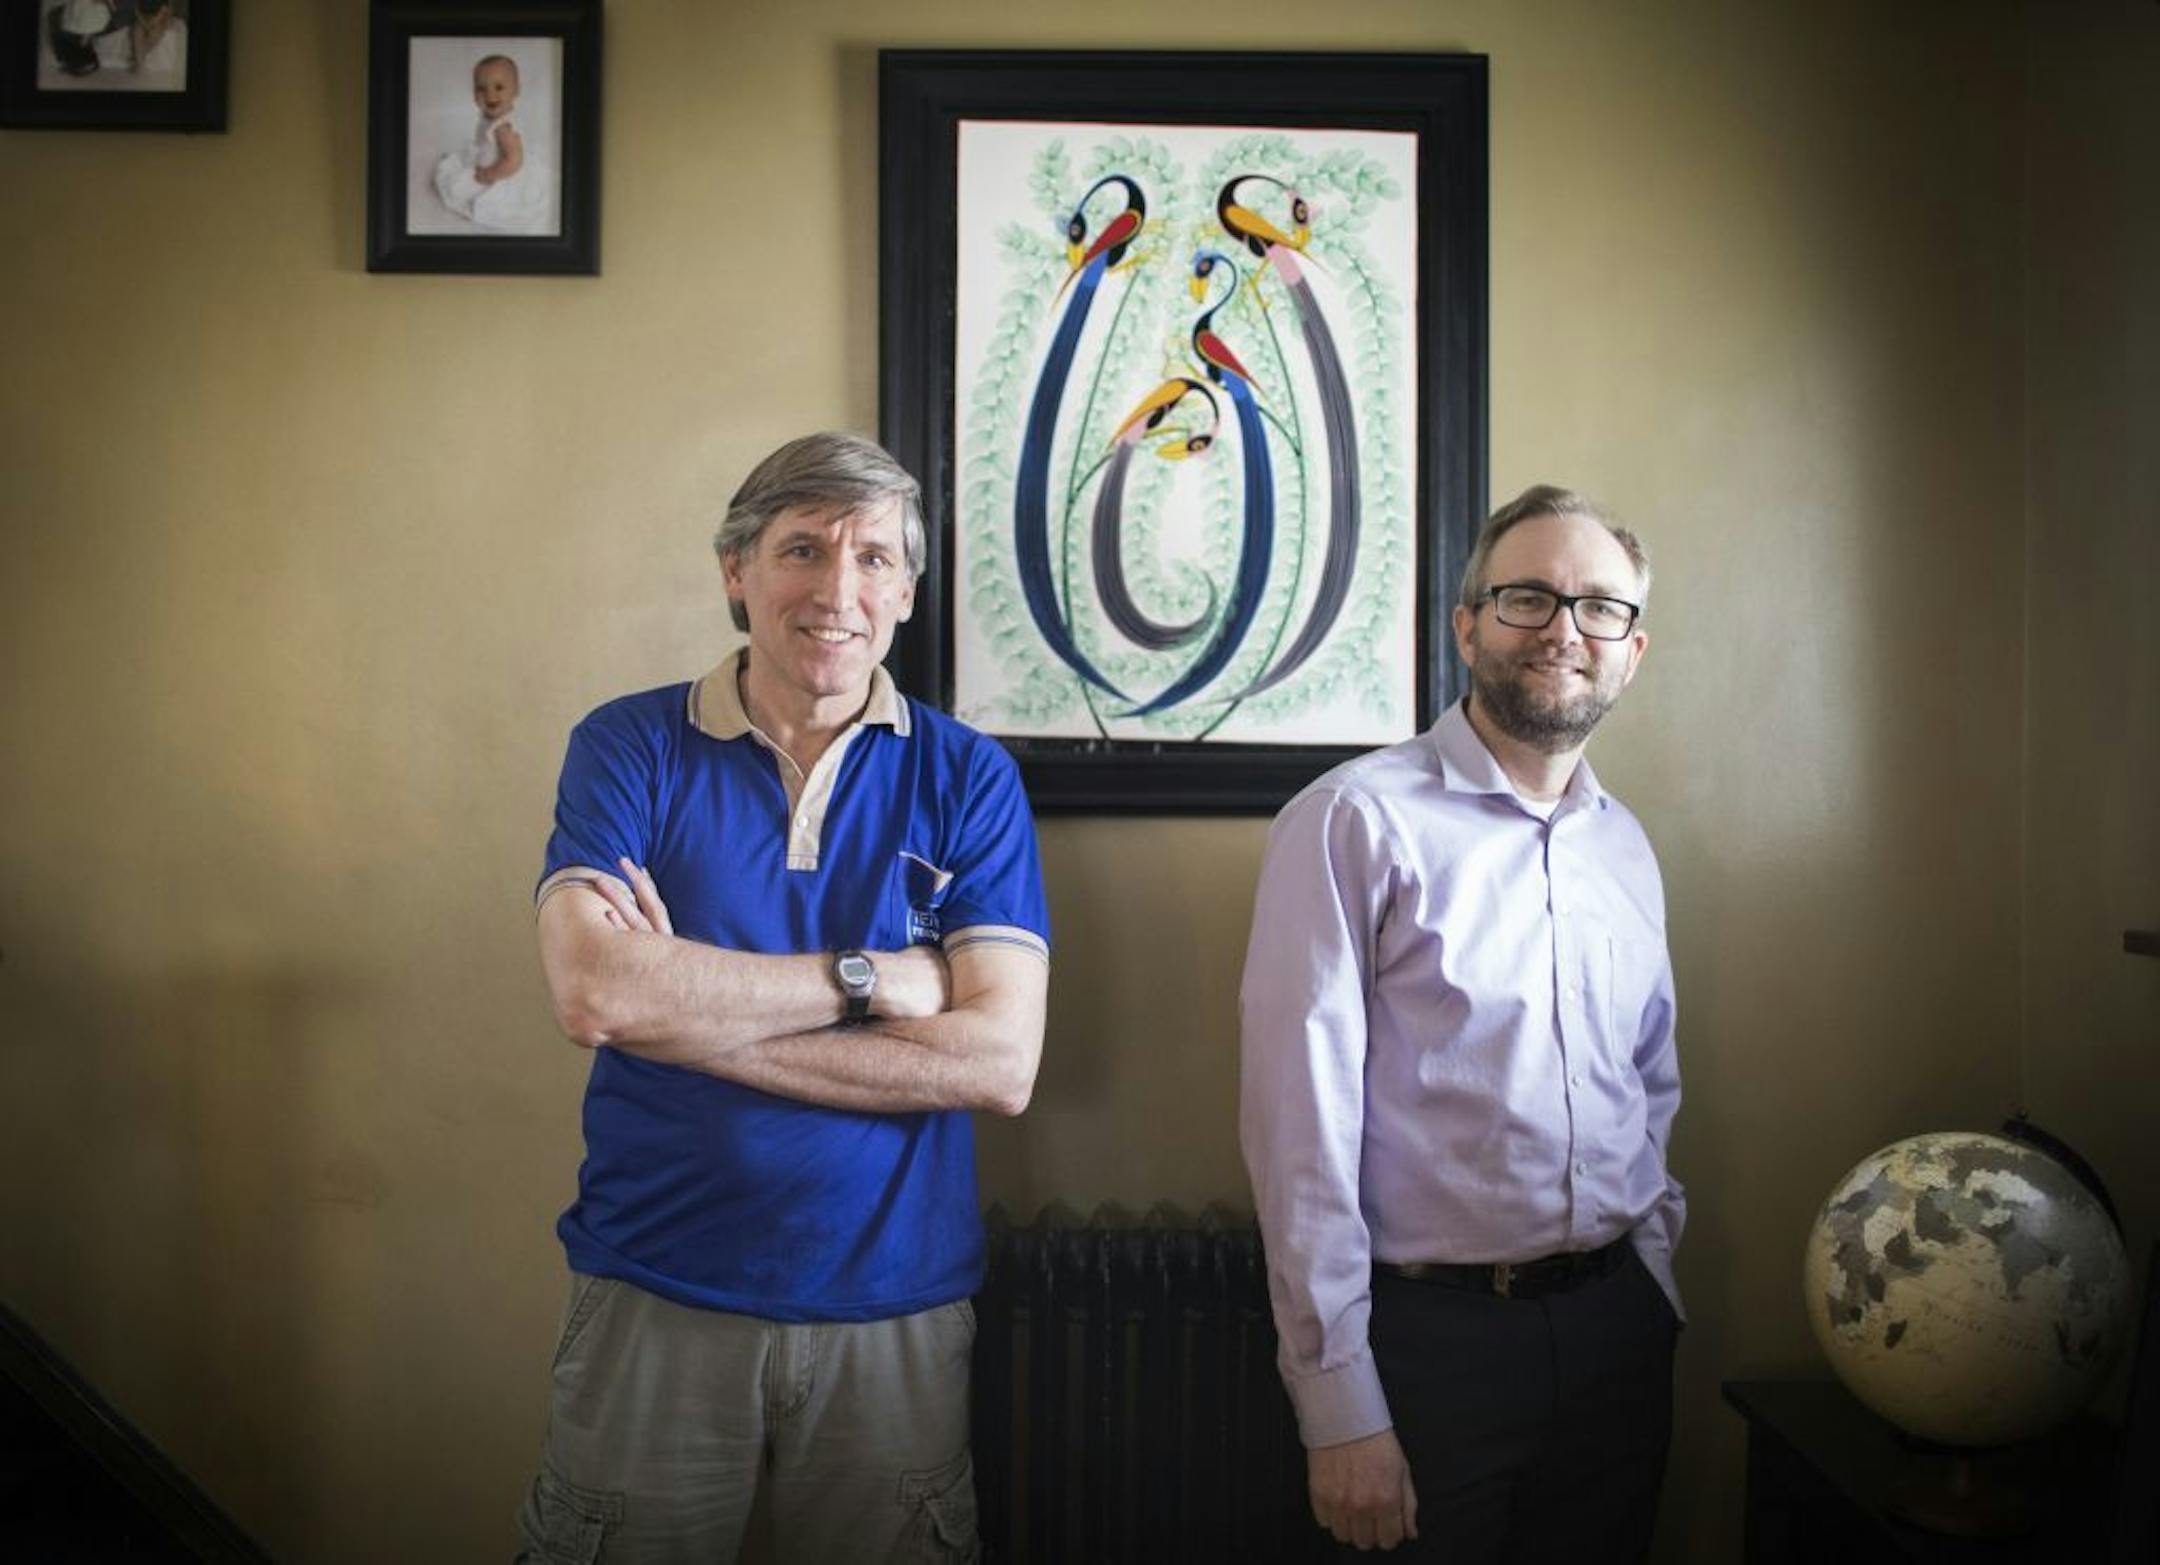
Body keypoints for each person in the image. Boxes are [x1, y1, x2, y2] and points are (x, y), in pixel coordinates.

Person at [518, 432, 1050, 1563]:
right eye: (801, 548)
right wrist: (876, 982)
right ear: (736, 571)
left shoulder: (968, 775)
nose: (836, 589)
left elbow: (998, 1063)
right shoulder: (628, 745)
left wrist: (692, 1018)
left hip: (895, 1309)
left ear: (905, 590)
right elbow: (595, 989)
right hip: (654, 1291)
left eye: (871, 558)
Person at [1240, 485, 1684, 1561]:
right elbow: (1299, 1135)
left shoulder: (1623, 845)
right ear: (1468, 623)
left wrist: (1655, 1274)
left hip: (1617, 1332)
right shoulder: (1353, 820)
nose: (1564, 630)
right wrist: (1340, 1402)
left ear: (1632, 649)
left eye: (1598, 608)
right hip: (1428, 1346)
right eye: (1527, 596)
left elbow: (1651, 1081)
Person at [433, 53, 549, 234]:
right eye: (481, 88)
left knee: (468, 193)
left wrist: (488, 174)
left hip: (503, 172)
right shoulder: (489, 117)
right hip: (490, 160)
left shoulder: (504, 128)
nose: (490, 95)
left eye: (499, 87)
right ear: (473, 93)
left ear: (516, 90)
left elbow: (513, 161)